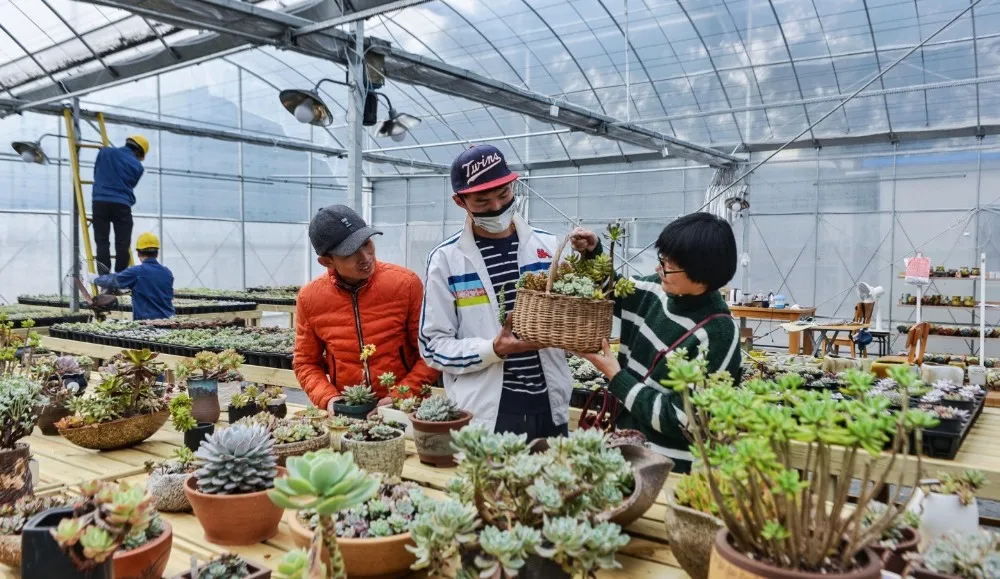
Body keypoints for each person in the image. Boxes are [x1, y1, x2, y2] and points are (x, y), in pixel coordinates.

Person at [419, 144, 572, 441]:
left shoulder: (549, 248)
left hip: (551, 405)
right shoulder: (447, 260)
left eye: (503, 195)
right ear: (460, 201)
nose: (496, 207)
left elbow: (582, 305)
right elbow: (433, 346)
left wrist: (592, 256)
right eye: (482, 200)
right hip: (491, 412)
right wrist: (494, 349)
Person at [574, 213, 741, 472]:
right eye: (661, 260)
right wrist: (594, 251)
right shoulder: (656, 291)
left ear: (702, 275)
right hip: (625, 447)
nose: (658, 269)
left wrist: (617, 378)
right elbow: (614, 291)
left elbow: (686, 420)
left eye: (668, 266)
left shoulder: (717, 333)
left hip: (667, 467)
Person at [294, 205, 440, 411]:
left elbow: (430, 351)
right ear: (327, 261)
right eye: (349, 253)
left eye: (366, 243)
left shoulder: (405, 284)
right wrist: (330, 400)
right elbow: (306, 363)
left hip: (406, 407)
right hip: (349, 408)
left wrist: (402, 394)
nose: (365, 257)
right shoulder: (310, 298)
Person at [92, 135, 149, 274]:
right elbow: (131, 183)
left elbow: (96, 173)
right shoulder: (138, 167)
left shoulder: (104, 152)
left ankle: (104, 278)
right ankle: (120, 278)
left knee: (102, 242)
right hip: (122, 205)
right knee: (123, 245)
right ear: (139, 152)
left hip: (100, 202)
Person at [87, 232, 174, 321]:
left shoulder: (137, 272)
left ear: (138, 253)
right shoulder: (167, 273)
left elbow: (113, 280)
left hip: (147, 323)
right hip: (169, 321)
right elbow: (152, 286)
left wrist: (95, 279)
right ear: (157, 253)